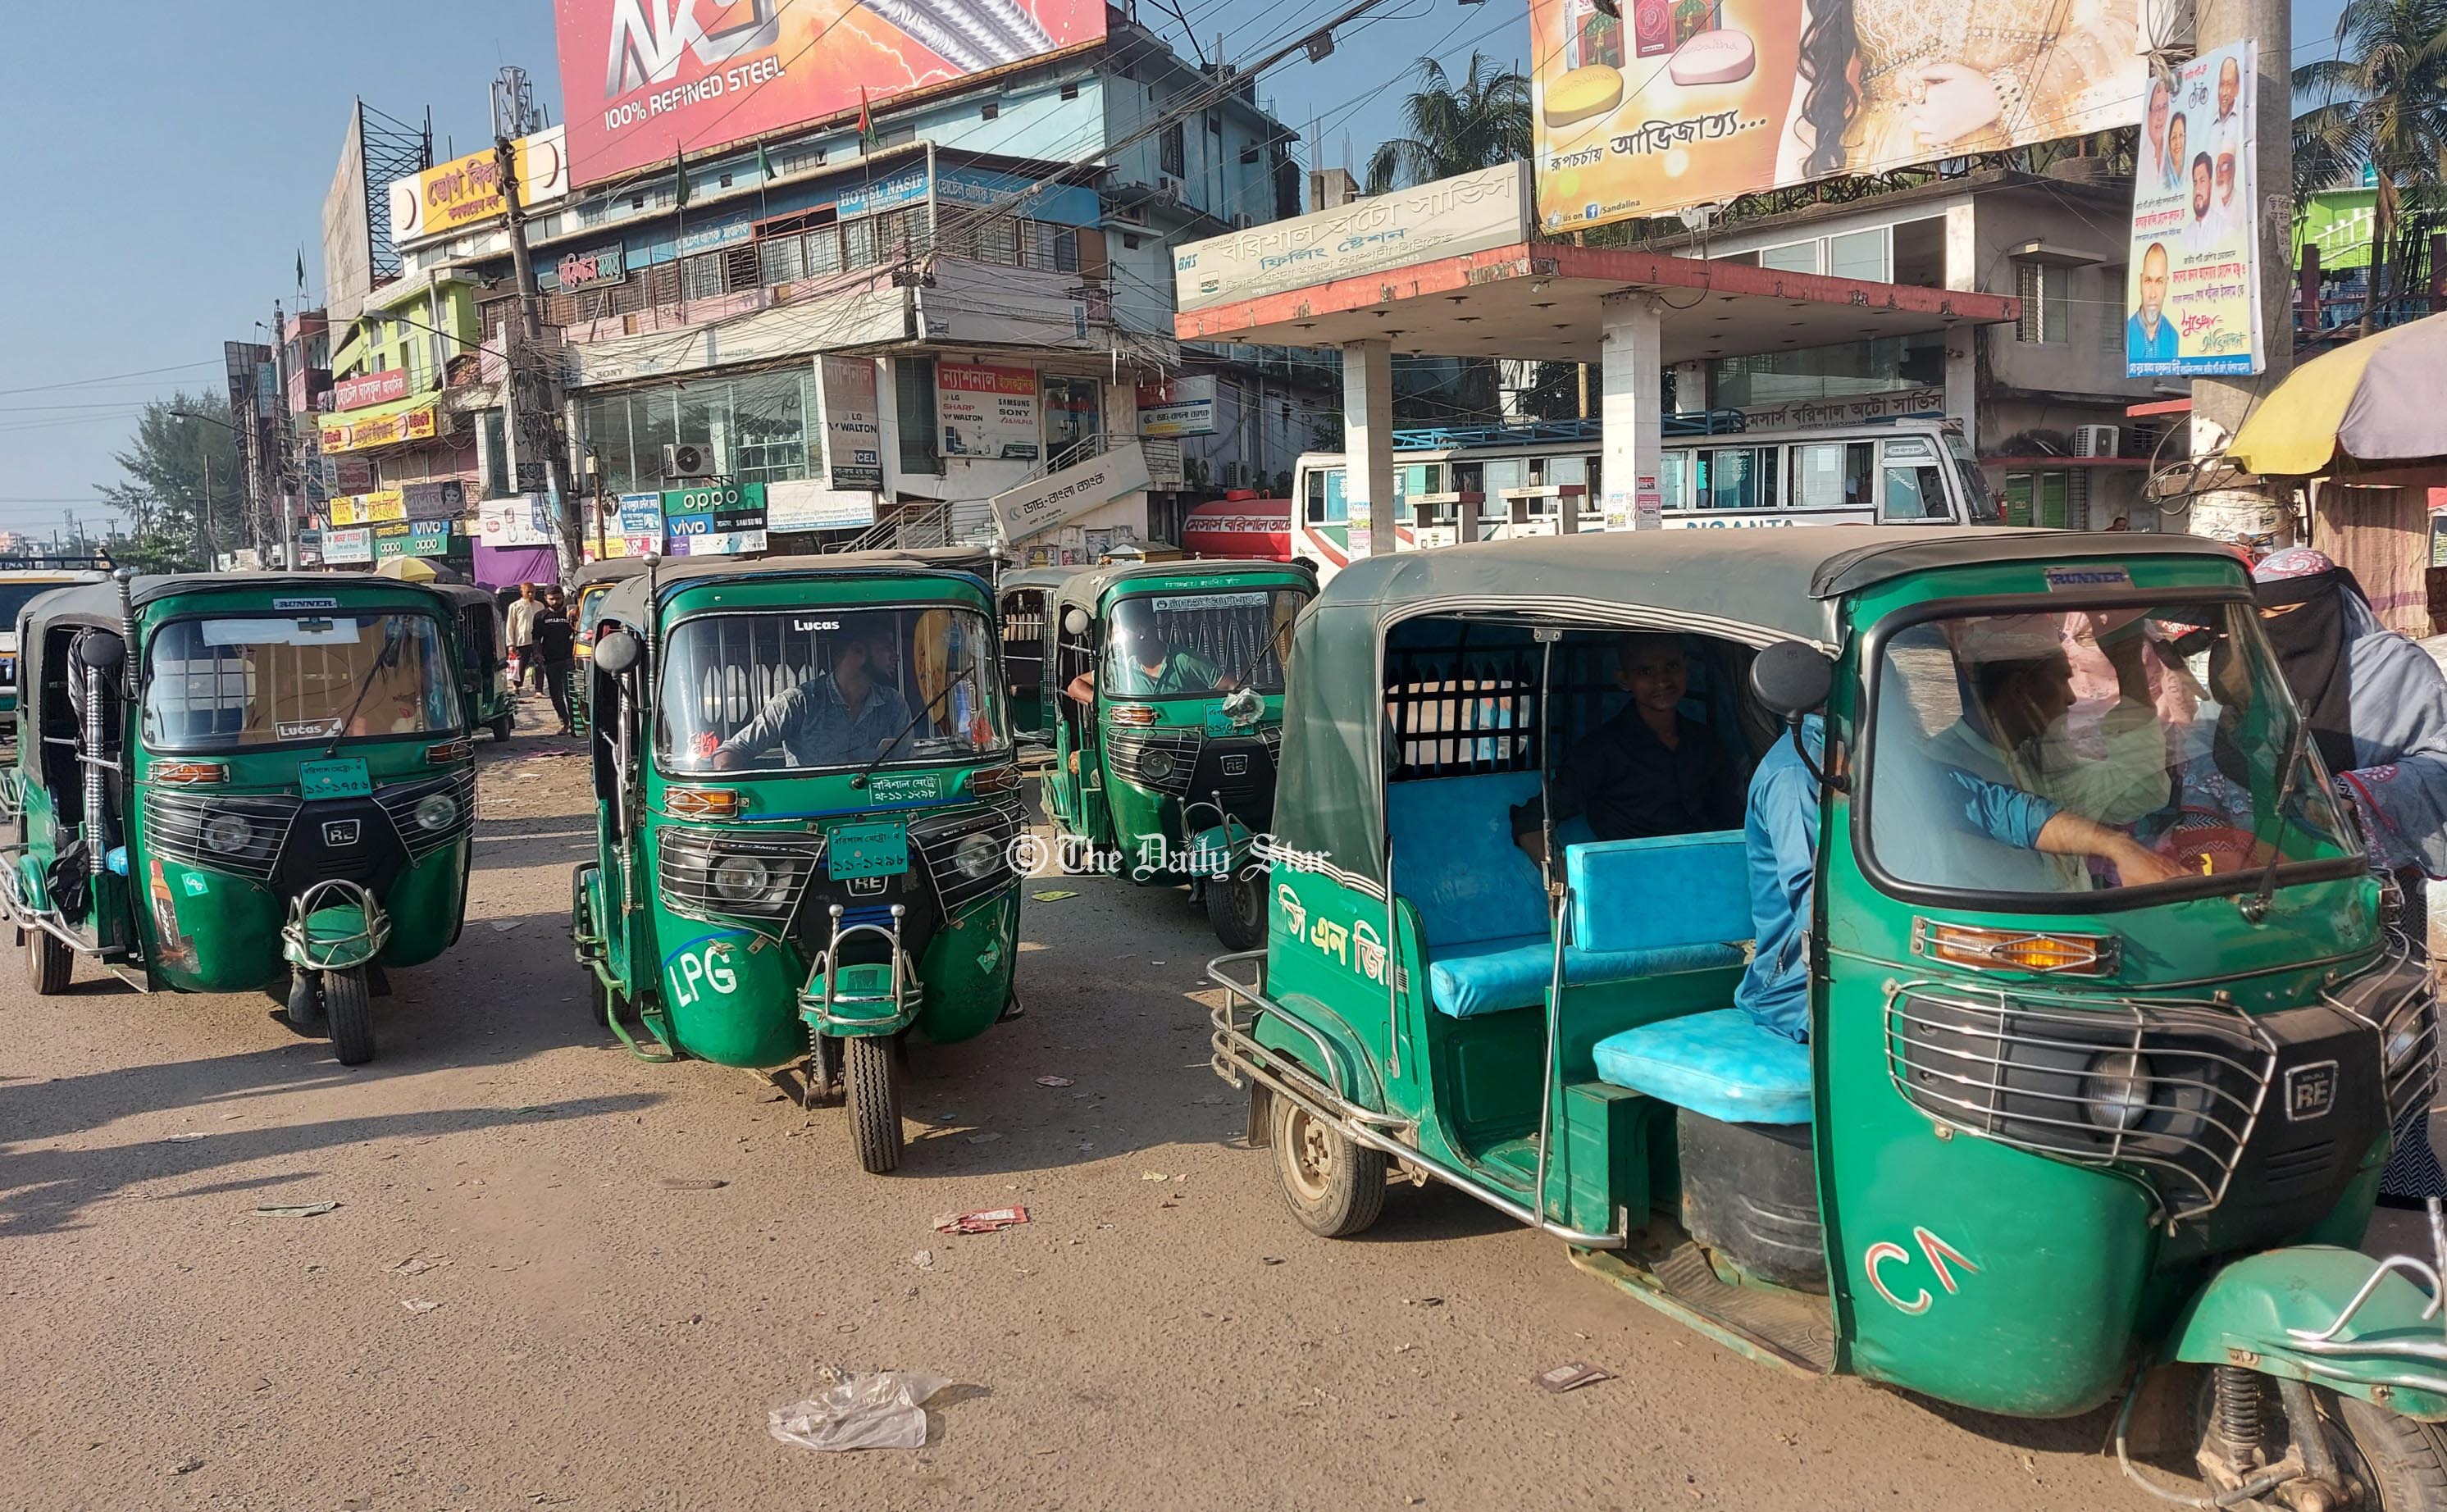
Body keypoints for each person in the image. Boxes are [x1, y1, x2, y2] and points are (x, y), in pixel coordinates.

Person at [1735, 716, 2181, 1042]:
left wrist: (2118, 848)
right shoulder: (1798, 775)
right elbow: (1821, 906)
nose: (1901, 685)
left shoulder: (1880, 753)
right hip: (1807, 992)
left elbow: (2000, 809)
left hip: (1906, 971)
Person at [2254, 548, 2447, 1200]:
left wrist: (2350, 793)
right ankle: (2294, 1175)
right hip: (2271, 884)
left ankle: (2402, 1169)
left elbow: (2441, 762)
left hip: (2379, 887)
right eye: (2268, 612)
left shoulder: (2397, 667)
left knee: (2391, 1027)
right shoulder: (2246, 671)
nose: (2281, 624)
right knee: (2294, 1033)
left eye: (2295, 611)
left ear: (2335, 604)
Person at [1779, 0, 2139, 177]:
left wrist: (2003, 92)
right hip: (1873, 160)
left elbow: (2128, 22)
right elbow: (1811, 85)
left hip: (2017, 151)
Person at [1511, 633, 1745, 867]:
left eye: (1671, 666)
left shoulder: (1706, 742)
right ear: (1624, 679)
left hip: (1709, 873)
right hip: (1631, 883)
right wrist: (1564, 883)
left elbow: (1734, 819)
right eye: (1646, 671)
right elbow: (1531, 821)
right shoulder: (1600, 750)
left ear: (1687, 667)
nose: (1663, 681)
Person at [708, 624, 912, 771]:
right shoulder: (797, 703)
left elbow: (907, 766)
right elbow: (732, 751)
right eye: (888, 648)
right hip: (808, 818)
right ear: (857, 652)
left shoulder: (893, 704)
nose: (896, 656)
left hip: (878, 813)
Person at [1066, 628, 1224, 702]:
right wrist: (1103, 705)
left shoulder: (1185, 659)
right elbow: (1075, 686)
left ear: (1142, 632)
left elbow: (1229, 685)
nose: (1115, 642)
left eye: (1119, 634)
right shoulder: (1120, 666)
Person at [531, 585, 578, 736]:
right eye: (552, 599)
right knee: (556, 695)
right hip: (551, 660)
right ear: (546, 599)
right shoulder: (540, 616)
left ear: (563, 598)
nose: (555, 602)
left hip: (569, 659)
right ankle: (564, 723)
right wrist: (537, 653)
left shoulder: (570, 613)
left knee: (572, 693)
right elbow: (536, 638)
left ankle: (576, 725)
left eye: (558, 598)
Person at [2128, 243, 2180, 363]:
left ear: (2166, 285)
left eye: (2159, 282)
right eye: (2148, 281)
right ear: (2141, 282)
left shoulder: (2173, 336)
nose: (2152, 294)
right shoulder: (2127, 332)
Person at [504, 583, 545, 695]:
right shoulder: (515, 606)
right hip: (522, 641)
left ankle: (539, 690)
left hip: (537, 640)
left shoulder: (540, 606)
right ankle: (516, 687)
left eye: (533, 592)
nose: (531, 594)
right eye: (528, 592)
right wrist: (511, 644)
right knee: (520, 666)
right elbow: (510, 626)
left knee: (539, 665)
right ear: (522, 592)